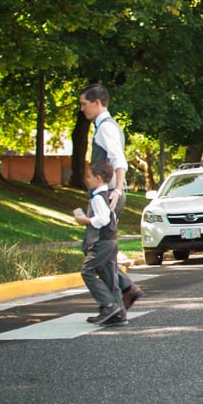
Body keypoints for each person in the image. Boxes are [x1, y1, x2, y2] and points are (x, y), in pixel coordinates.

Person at [79, 84, 140, 311]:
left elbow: (118, 160)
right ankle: (124, 289)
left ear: (97, 103)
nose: (81, 109)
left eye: (84, 104)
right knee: (100, 248)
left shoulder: (105, 128)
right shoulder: (105, 126)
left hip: (108, 196)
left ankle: (113, 302)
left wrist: (117, 190)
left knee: (95, 247)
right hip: (110, 195)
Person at [74, 159, 125, 326]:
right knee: (111, 276)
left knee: (87, 271)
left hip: (102, 242)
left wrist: (85, 220)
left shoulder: (97, 198)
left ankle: (109, 305)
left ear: (98, 178)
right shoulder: (108, 195)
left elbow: (102, 219)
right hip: (111, 240)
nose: (86, 179)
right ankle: (119, 313)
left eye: (89, 176)